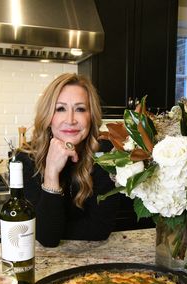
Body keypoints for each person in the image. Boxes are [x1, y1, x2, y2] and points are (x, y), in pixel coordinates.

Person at [17, 73, 120, 247]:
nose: (70, 120)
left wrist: (48, 227)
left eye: (80, 109)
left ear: (91, 117)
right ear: (48, 117)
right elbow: (47, 238)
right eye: (60, 109)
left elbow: (100, 229)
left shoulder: (106, 155)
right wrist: (51, 172)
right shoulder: (25, 160)